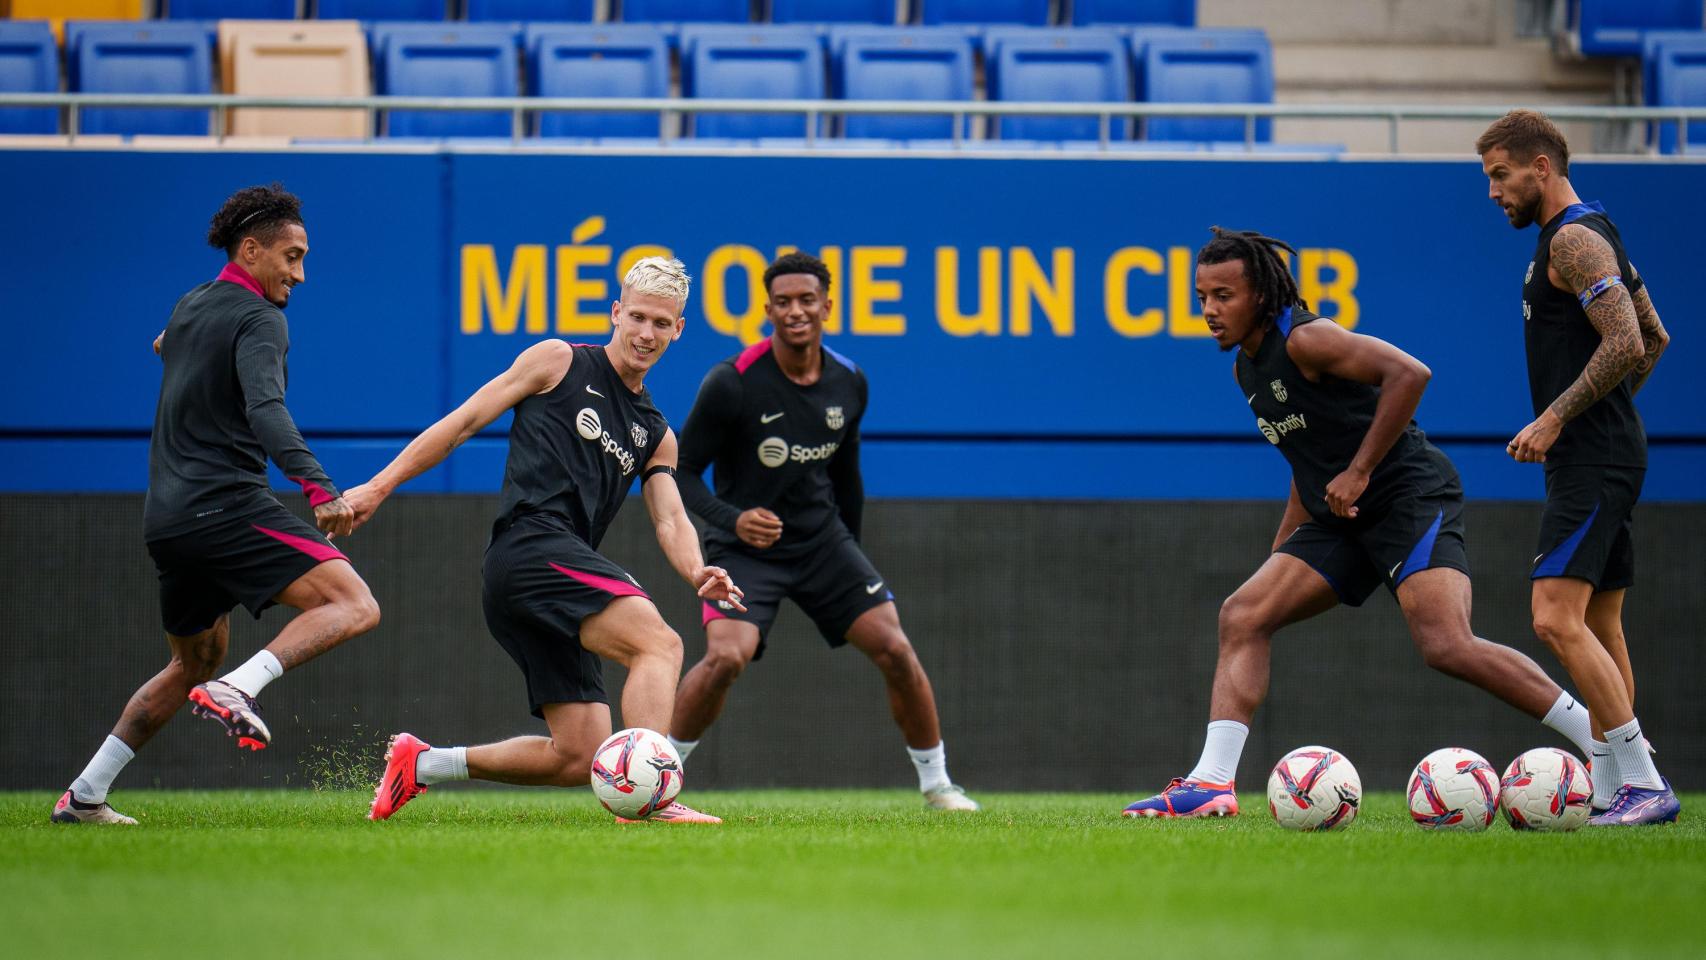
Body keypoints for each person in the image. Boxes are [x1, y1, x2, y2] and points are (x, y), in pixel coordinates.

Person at [1122, 228, 1597, 819]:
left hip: (1408, 495)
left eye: (1224, 295)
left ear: (1262, 297)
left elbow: (1411, 374)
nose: (1210, 310)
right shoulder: (1248, 367)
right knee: (1243, 614)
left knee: (1447, 645)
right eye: (1202, 297)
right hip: (1341, 516)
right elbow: (1310, 462)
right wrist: (1286, 549)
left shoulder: (1308, 340)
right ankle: (1212, 784)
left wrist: (1362, 469)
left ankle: (1598, 740)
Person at [351, 257, 741, 824]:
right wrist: (378, 487)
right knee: (660, 644)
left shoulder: (656, 435)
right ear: (616, 312)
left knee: (578, 754)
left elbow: (669, 520)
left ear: (679, 329)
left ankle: (424, 764)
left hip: (551, 576)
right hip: (530, 548)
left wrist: (697, 571)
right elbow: (461, 423)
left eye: (661, 323)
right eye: (637, 317)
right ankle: (652, 800)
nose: (646, 333)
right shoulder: (558, 361)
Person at [53, 183, 379, 825]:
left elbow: (163, 344)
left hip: (168, 522)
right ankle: (240, 687)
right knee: (354, 604)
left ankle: (85, 795)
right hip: (225, 507)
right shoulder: (261, 319)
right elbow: (266, 409)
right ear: (251, 249)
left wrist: (181, 341)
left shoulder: (190, 305)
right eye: (291, 256)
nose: (300, 273)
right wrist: (319, 487)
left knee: (191, 660)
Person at [668, 252, 978, 812]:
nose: (795, 311)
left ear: (828, 306)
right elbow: (679, 473)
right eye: (783, 302)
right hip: (745, 549)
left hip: (822, 545)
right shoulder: (731, 382)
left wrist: (850, 551)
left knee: (896, 648)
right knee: (725, 658)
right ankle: (657, 777)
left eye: (807, 300)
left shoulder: (849, 380)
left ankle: (938, 786)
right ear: (766, 310)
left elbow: (846, 475)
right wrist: (730, 519)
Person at [1476, 109, 1678, 825]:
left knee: (1553, 618)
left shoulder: (1573, 241)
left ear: (1542, 167)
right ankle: (1609, 785)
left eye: (1500, 176)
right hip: (1609, 451)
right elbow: (1655, 336)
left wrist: (1563, 416)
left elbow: (1626, 339)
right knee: (1603, 623)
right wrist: (1610, 417)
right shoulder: (1597, 231)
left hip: (1591, 459)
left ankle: (1645, 783)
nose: (1494, 192)